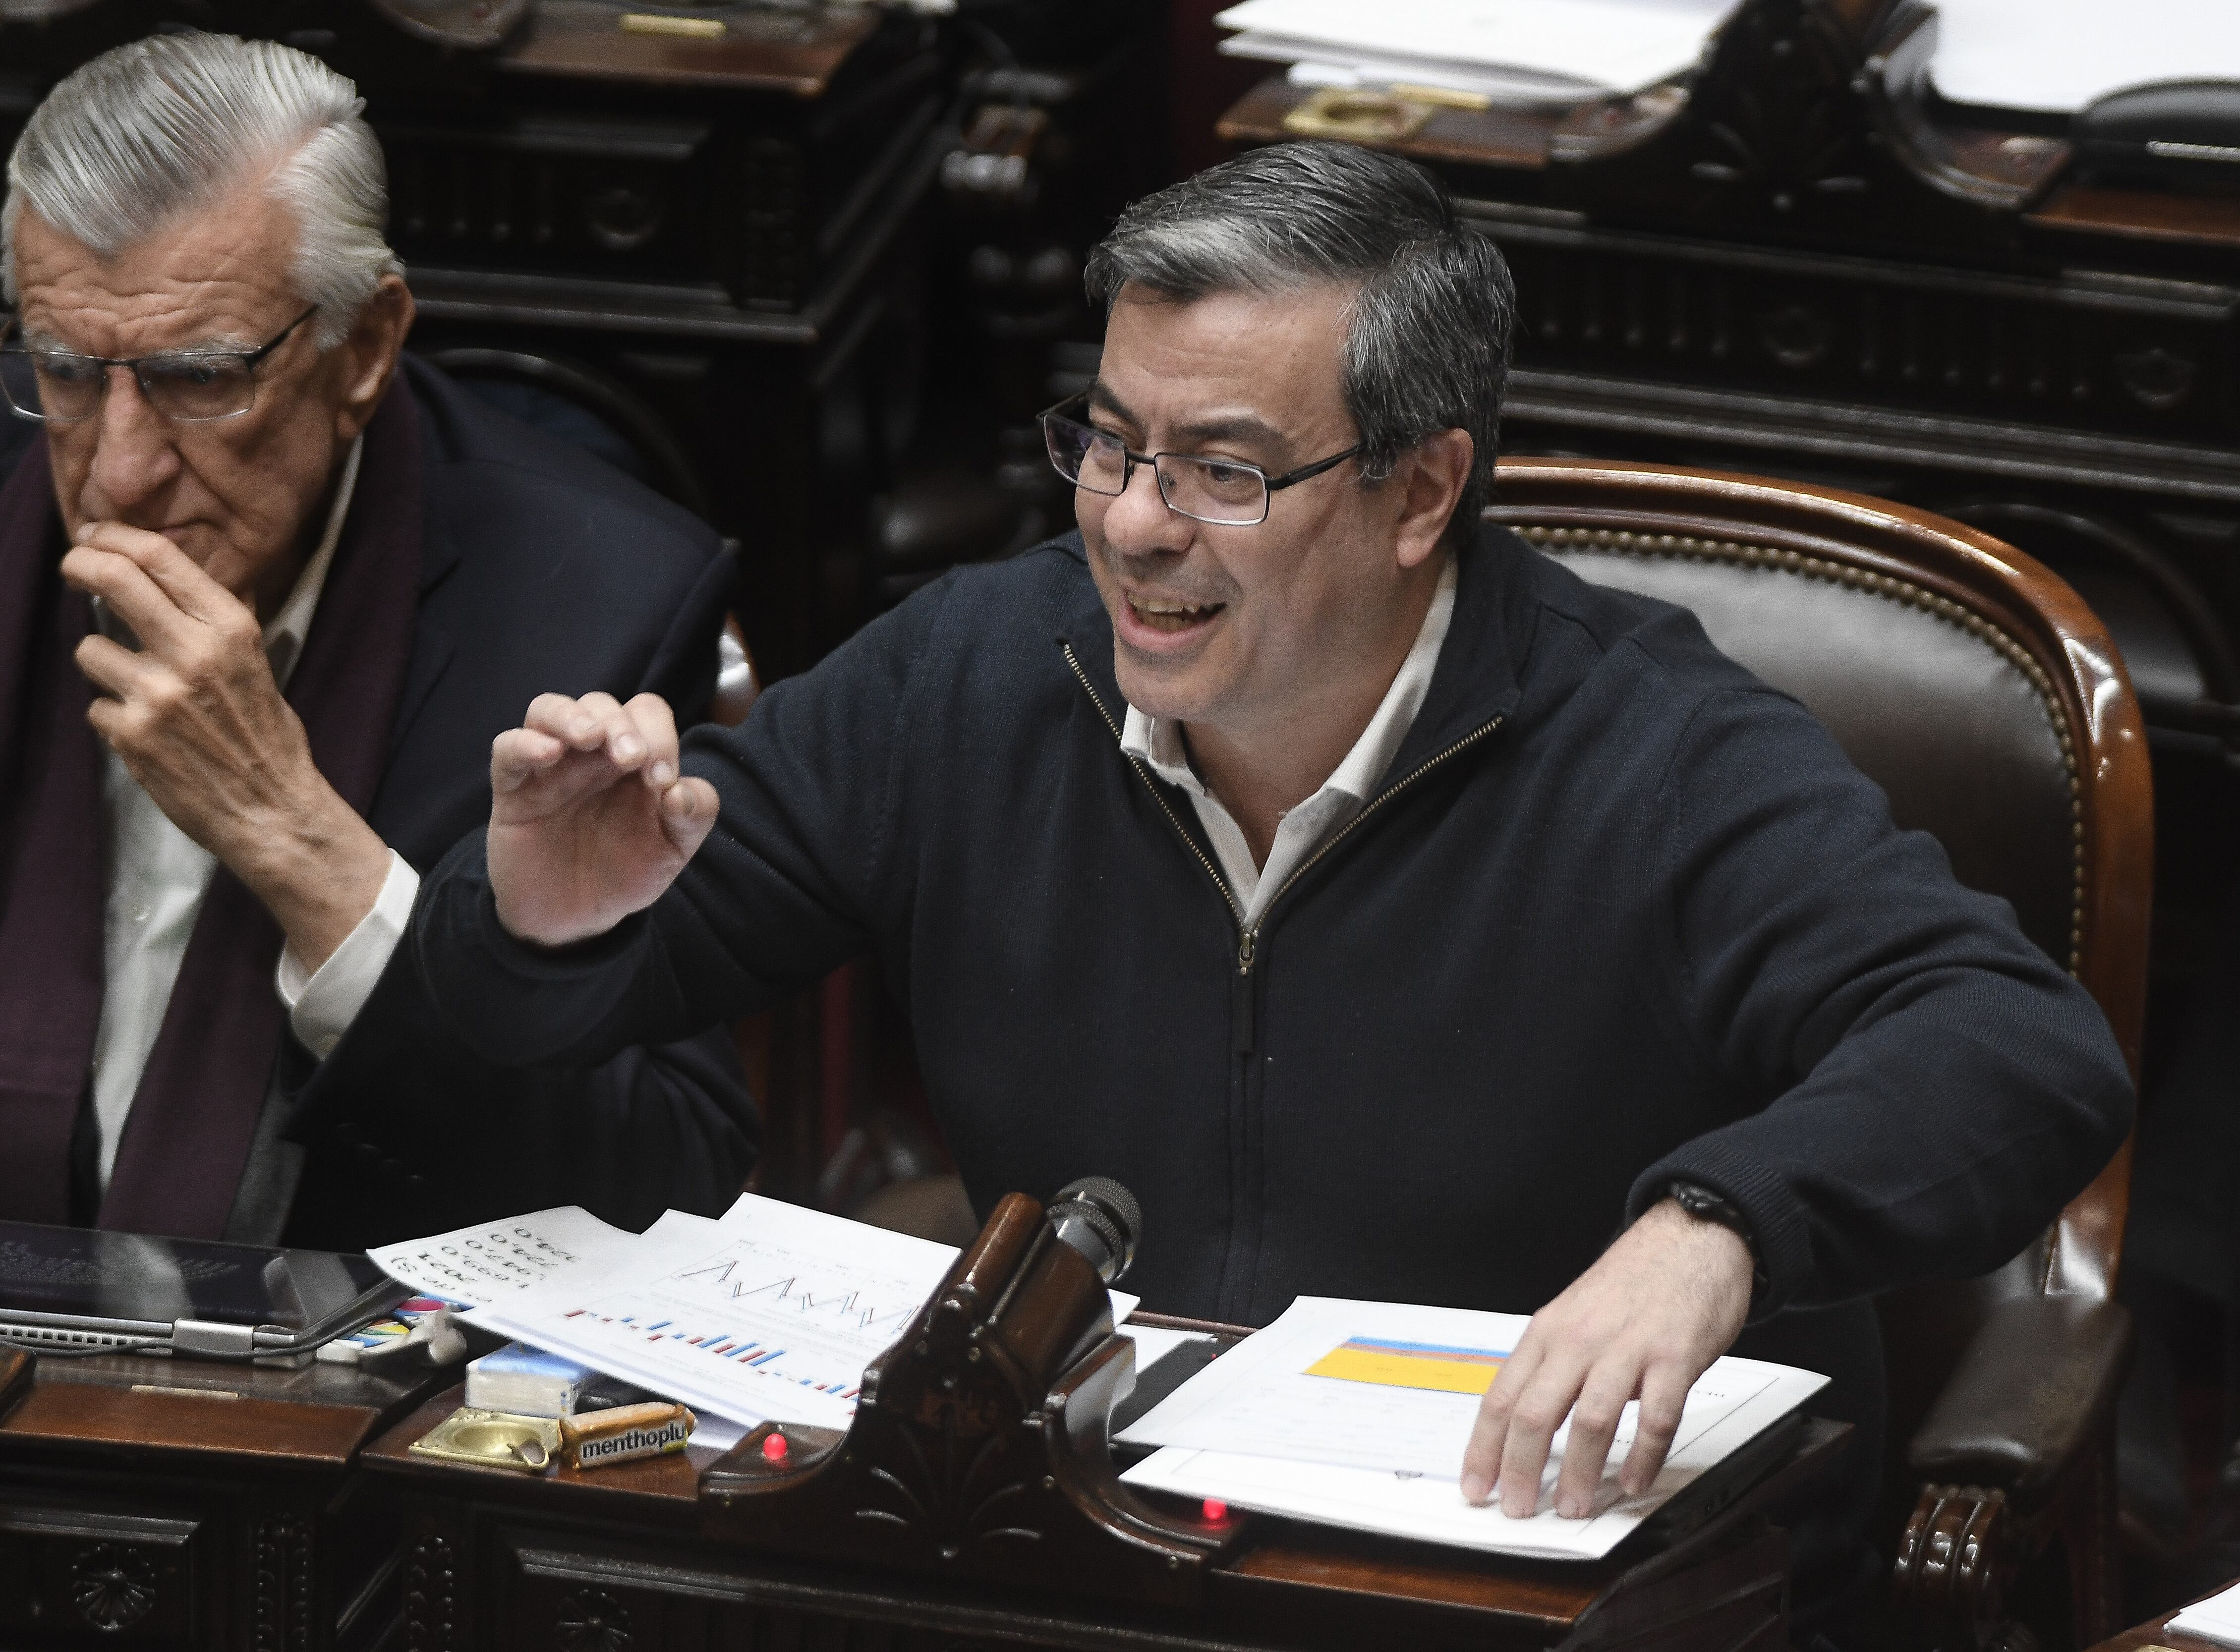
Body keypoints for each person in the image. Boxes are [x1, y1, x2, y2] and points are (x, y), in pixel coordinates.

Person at [409, 141, 2132, 1621]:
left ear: (1421, 490)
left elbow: (2015, 1047)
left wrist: (1720, 1223)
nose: (1136, 524)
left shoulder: (1656, 754)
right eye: (1106, 440)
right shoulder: (976, 676)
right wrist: (550, 911)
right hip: (1107, 1565)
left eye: (1224, 470)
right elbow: (515, 1004)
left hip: (1559, 1596)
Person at [0, 34, 757, 1248]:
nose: (122, 469)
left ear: (361, 348)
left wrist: (295, 837)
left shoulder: (590, 607)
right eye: (68, 370)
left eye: (200, 378)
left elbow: (669, 1186)